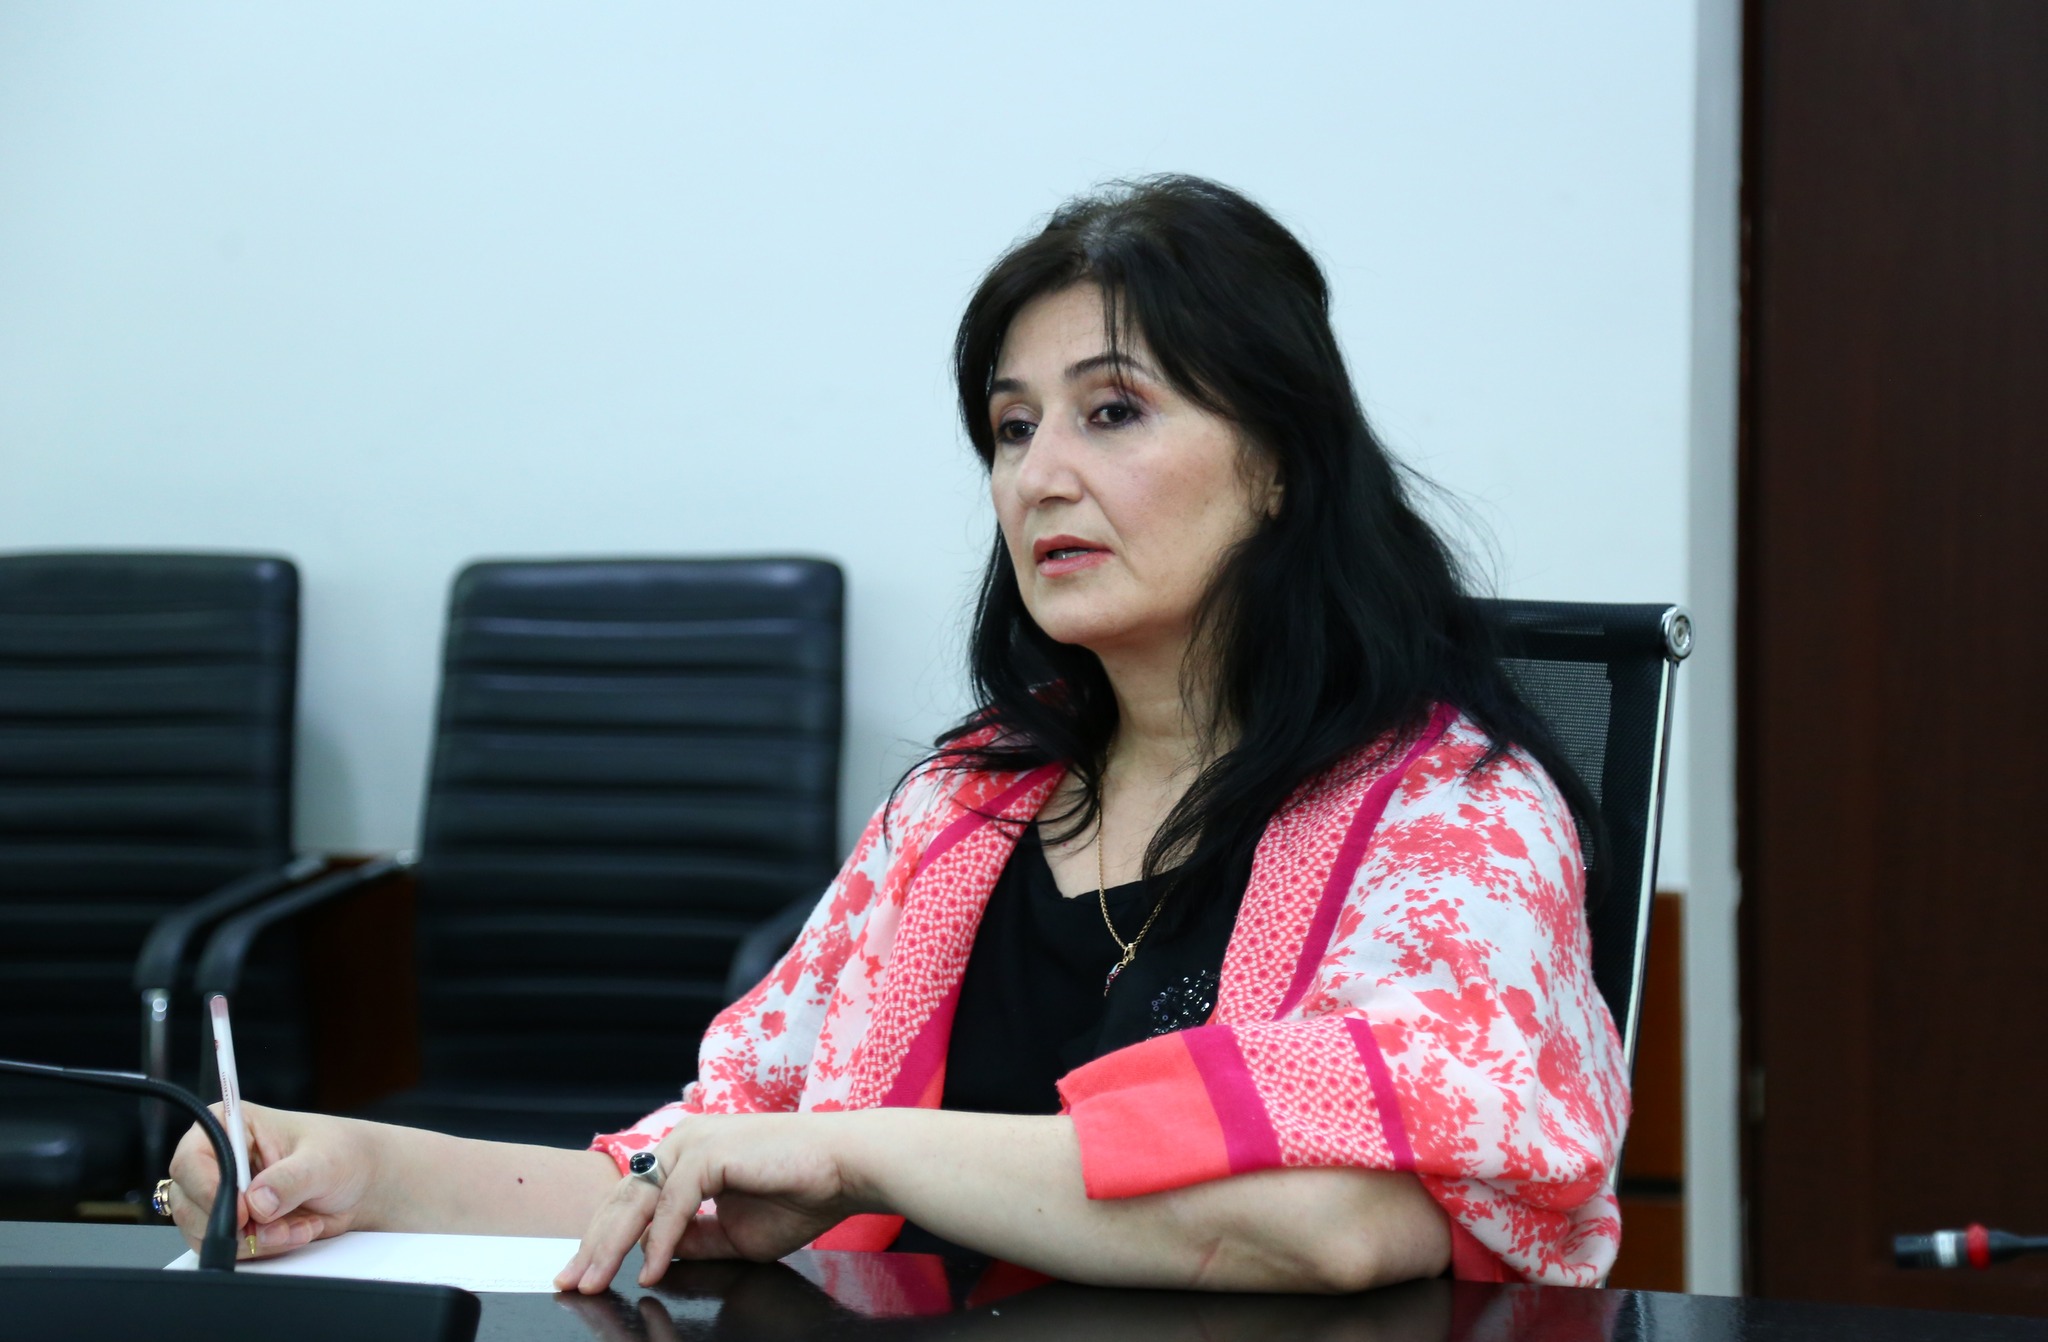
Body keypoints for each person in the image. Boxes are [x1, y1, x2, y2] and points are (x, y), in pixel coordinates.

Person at [163, 175, 1628, 1294]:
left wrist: (858, 1151)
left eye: (1114, 411)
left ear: (1282, 466)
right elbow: (704, 1163)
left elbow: (1337, 1220)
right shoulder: (963, 809)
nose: (1039, 475)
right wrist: (361, 1168)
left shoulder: (1454, 811)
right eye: (1012, 427)